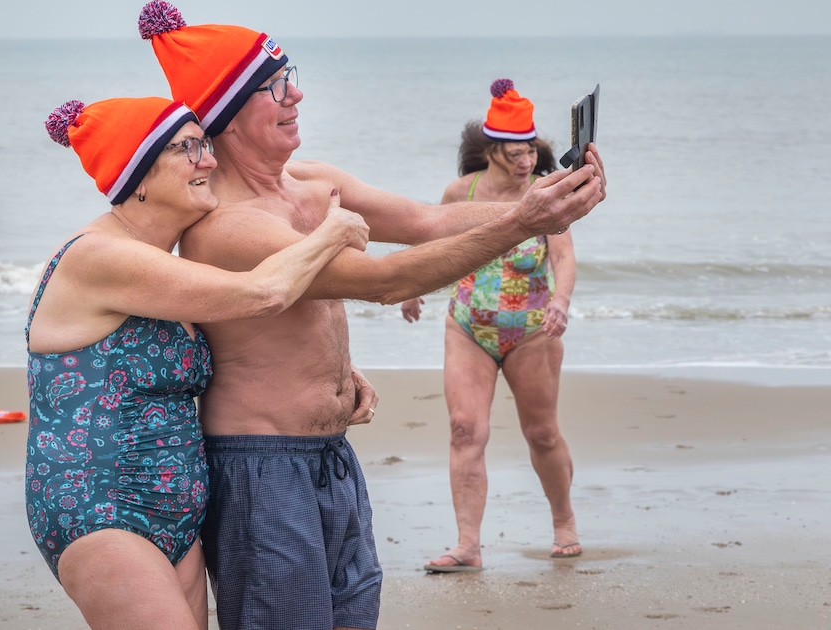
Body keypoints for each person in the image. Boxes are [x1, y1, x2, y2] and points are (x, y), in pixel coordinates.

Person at [138, 3, 606, 629]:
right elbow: (383, 281)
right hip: (260, 462)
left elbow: (424, 222)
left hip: (332, 452)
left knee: (354, 619)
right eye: (275, 85)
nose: (296, 92)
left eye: (290, 75)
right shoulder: (229, 226)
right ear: (228, 112)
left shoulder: (309, 180)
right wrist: (526, 224)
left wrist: (547, 200)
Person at [25, 95, 369, 630]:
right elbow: (262, 294)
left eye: (205, 144)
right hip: (100, 506)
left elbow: (243, 340)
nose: (208, 160)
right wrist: (332, 232)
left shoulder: (168, 268)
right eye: (187, 148)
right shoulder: (98, 255)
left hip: (181, 508)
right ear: (136, 175)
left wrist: (337, 375)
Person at [401, 80, 581, 573]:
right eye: (513, 153)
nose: (525, 162)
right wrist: (412, 284)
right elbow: (433, 240)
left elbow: (563, 258)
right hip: (468, 328)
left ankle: (564, 523)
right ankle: (468, 546)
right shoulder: (462, 192)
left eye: (530, 151)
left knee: (541, 433)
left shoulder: (545, 194)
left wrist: (560, 302)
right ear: (490, 149)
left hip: (532, 331)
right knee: (465, 430)